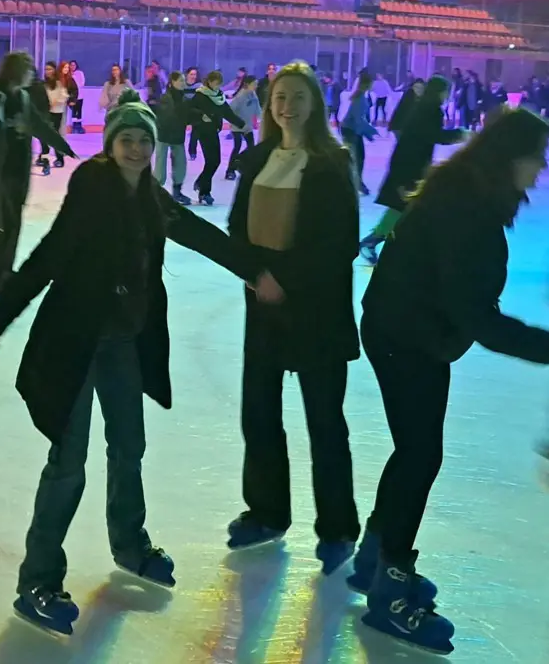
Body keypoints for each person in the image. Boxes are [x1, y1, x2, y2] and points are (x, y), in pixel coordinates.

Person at [0, 102, 283, 635]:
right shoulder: (93, 191)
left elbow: (197, 232)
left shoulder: (149, 196)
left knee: (129, 444)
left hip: (123, 343)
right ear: (111, 144)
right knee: (68, 462)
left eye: (144, 139)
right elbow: (48, 257)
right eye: (126, 138)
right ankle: (37, 580)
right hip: (75, 343)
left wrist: (251, 270)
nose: (136, 148)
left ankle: (130, 543)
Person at [350, 108, 549, 655]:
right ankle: (389, 585)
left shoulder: (468, 192)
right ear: (511, 157)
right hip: (405, 337)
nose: (539, 171)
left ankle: (376, 559)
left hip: (406, 330)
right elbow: (479, 319)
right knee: (419, 455)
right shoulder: (468, 210)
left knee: (416, 452)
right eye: (536, 159)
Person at [224, 61, 361, 575]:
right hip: (262, 305)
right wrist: (254, 272)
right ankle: (266, 512)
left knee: (325, 422)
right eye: (280, 97)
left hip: (315, 311)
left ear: (315, 104)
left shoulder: (330, 160)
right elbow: (237, 227)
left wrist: (286, 279)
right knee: (258, 413)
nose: (288, 106)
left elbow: (341, 242)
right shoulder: (260, 157)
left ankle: (338, 527)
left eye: (298, 96)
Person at [0, 51, 75, 299]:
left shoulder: (23, 98)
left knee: (12, 229)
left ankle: (2, 276)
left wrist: (63, 146)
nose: (32, 74)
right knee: (6, 228)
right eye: (28, 69)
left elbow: (39, 126)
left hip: (18, 173)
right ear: (17, 71)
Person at [360, 76, 465, 265]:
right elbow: (434, 135)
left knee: (402, 208)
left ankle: (379, 241)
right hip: (410, 168)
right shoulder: (430, 110)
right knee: (404, 208)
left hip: (409, 166)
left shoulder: (423, 108)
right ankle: (377, 241)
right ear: (440, 92)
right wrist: (459, 135)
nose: (448, 96)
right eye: (446, 91)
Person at [190, 71, 245, 205]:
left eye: (219, 84)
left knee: (216, 161)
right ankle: (205, 192)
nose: (217, 86)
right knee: (211, 161)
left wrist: (240, 123)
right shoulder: (200, 95)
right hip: (202, 131)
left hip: (213, 131)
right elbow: (190, 112)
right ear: (209, 81)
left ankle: (201, 182)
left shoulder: (219, 96)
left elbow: (226, 112)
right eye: (215, 83)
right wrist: (200, 117)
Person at [153, 71, 191, 204]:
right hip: (164, 135)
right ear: (173, 82)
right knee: (160, 165)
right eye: (180, 81)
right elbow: (166, 117)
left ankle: (177, 191)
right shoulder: (165, 98)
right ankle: (156, 192)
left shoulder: (185, 99)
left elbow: (187, 116)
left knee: (180, 164)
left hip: (178, 136)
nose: (183, 83)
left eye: (183, 81)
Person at [341, 72, 377, 195]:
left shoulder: (362, 97)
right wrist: (371, 131)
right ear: (368, 84)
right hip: (351, 131)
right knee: (356, 158)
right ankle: (354, 183)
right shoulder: (360, 99)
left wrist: (368, 133)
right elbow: (359, 120)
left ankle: (356, 182)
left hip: (352, 130)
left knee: (358, 157)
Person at [226, 74, 260, 180]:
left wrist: (259, 118)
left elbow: (257, 108)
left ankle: (238, 161)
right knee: (237, 146)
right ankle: (230, 171)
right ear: (247, 85)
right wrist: (234, 122)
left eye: (256, 84)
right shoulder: (240, 96)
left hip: (247, 126)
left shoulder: (253, 94)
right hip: (237, 126)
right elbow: (230, 110)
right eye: (254, 84)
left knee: (251, 147)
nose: (256, 86)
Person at [42, 61, 69, 169]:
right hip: (46, 111)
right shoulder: (45, 83)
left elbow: (64, 96)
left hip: (57, 112)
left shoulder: (59, 83)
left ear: (54, 70)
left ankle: (60, 158)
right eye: (46, 69)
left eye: (49, 69)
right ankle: (44, 156)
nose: (47, 71)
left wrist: (54, 103)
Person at [60, 61, 83, 134]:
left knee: (76, 112)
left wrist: (72, 99)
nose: (66, 69)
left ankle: (77, 127)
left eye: (67, 67)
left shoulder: (71, 78)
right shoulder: (58, 78)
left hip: (66, 101)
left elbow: (74, 89)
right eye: (65, 67)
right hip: (56, 102)